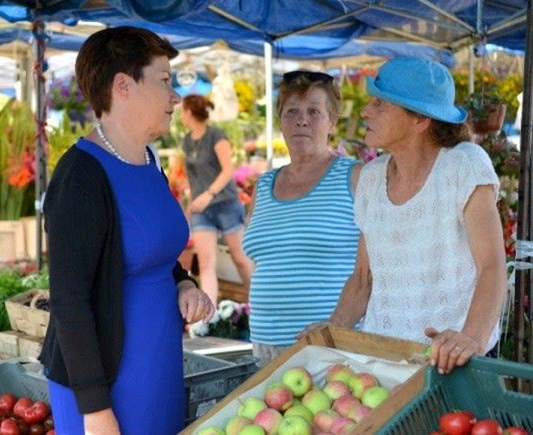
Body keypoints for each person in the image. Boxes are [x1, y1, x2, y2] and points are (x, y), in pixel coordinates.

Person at [39, 27, 214, 435]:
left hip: (158, 370)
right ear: (124, 86)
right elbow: (69, 301)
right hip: (105, 388)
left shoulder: (148, 162)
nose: (175, 97)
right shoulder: (80, 176)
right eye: (165, 81)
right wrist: (96, 409)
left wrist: (184, 284)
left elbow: (151, 252)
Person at [302, 57, 507, 374]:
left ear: (420, 121)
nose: (365, 111)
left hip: (453, 360)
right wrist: (331, 330)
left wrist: (471, 340)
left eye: (379, 104)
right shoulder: (371, 178)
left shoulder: (464, 165)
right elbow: (362, 279)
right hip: (384, 361)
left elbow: (492, 265)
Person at [242, 71, 362, 366]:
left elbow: (372, 267)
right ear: (280, 121)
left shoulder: (355, 176)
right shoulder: (264, 184)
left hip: (330, 343)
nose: (302, 120)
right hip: (264, 343)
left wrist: (337, 325)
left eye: (314, 112)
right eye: (291, 111)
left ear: (332, 122)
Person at [180, 94, 253, 306]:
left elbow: (228, 170)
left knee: (240, 258)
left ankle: (259, 305)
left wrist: (208, 194)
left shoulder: (216, 135)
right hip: (201, 209)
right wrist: (190, 204)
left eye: (183, 110)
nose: (181, 115)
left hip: (225, 203)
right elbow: (192, 177)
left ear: (191, 112)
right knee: (206, 264)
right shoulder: (186, 141)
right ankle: (209, 316)